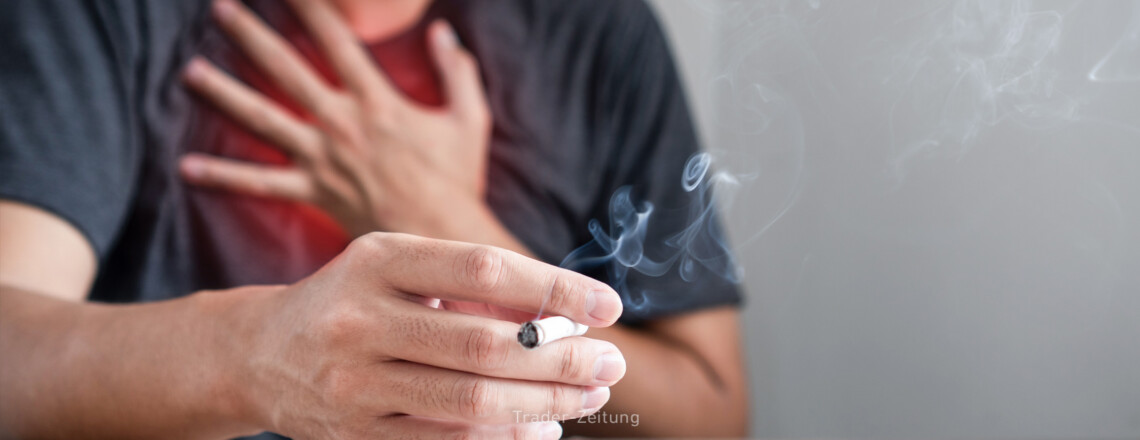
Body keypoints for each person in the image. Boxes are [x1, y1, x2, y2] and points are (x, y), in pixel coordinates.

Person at [0, 0, 748, 438]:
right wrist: (255, 356)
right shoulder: (107, 15)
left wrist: (442, 216)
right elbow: (13, 358)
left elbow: (711, 417)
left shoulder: (600, 30)